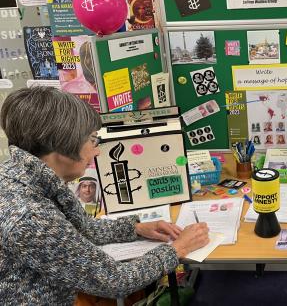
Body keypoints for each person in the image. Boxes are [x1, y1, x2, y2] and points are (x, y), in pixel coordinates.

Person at [0, 87, 210, 304]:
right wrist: (178, 249)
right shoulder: (30, 218)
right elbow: (114, 280)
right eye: (92, 140)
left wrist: (136, 228)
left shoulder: (24, 175)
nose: (97, 151)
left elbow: (79, 228)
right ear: (62, 144)